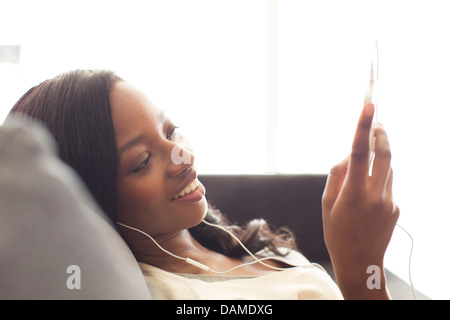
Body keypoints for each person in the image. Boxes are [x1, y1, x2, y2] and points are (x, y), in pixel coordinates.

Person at [9, 69, 399, 300]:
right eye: (143, 161)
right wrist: (362, 267)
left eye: (171, 131)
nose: (184, 156)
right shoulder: (170, 294)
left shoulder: (243, 246)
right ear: (93, 202)